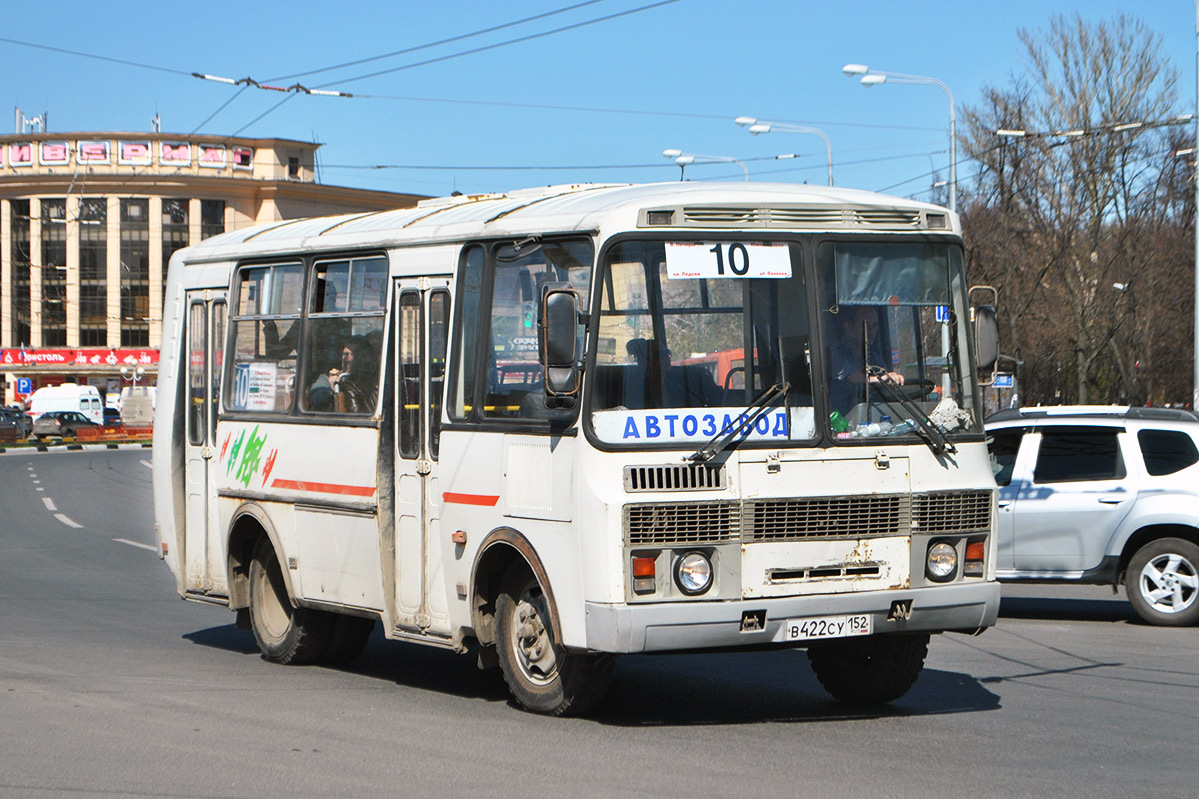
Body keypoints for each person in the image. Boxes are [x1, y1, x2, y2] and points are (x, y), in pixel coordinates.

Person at [827, 305, 905, 413]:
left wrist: (894, 380)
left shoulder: (875, 359)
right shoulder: (834, 352)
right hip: (839, 421)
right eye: (865, 325)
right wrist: (879, 379)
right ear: (848, 327)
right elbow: (850, 376)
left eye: (874, 326)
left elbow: (886, 389)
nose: (872, 331)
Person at [626, 337, 722, 408]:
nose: (666, 357)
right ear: (645, 361)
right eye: (659, 354)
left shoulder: (681, 384)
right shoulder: (633, 390)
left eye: (667, 353)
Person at [308, 335, 378, 413]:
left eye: (354, 354)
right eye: (346, 354)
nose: (349, 359)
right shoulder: (328, 377)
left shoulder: (370, 380)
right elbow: (314, 399)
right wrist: (331, 390)